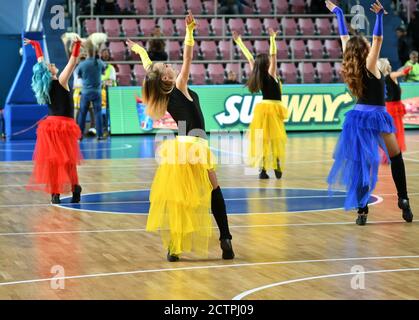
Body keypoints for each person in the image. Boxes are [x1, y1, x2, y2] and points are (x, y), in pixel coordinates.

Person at [126, 11, 234, 262]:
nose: (170, 67)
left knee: (180, 199)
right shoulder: (180, 85)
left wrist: (140, 50)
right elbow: (187, 57)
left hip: (181, 147)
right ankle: (225, 238)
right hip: (197, 145)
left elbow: (147, 67)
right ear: (167, 78)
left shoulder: (162, 91)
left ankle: (174, 246)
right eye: (167, 68)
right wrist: (189, 31)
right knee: (214, 191)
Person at [326, 0, 413, 225]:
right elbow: (378, 39)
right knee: (396, 158)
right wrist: (380, 17)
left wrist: (337, 13)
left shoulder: (350, 62)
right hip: (377, 115)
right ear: (364, 48)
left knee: (361, 164)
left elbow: (344, 38)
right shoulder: (371, 63)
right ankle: (403, 199)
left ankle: (362, 209)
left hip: (357, 117)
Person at [25, 36, 83, 204]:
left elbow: (40, 62)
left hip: (50, 126)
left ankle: (55, 193)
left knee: (53, 161)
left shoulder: (44, 86)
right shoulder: (62, 81)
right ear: (49, 72)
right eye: (50, 65)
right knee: (68, 161)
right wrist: (78, 44)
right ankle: (75, 188)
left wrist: (36, 45)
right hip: (63, 126)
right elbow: (72, 62)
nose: (52, 64)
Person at [233, 29, 287, 180]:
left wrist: (239, 42)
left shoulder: (259, 75)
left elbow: (250, 59)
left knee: (263, 140)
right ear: (267, 64)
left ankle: (262, 170)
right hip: (273, 109)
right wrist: (272, 39)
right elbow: (274, 55)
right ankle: (276, 164)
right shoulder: (271, 74)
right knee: (276, 139)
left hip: (263, 109)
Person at [377, 58, 412, 158]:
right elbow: (401, 73)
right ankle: (393, 153)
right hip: (392, 108)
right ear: (386, 66)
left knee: (391, 131)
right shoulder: (391, 75)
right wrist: (407, 69)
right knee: (395, 131)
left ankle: (389, 153)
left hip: (390, 106)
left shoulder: (381, 78)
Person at [77, 40, 107, 140]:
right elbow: (103, 71)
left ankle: (80, 135)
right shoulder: (99, 63)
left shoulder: (82, 64)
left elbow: (79, 75)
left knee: (82, 113)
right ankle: (100, 135)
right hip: (97, 92)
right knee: (97, 113)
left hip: (85, 92)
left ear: (87, 52)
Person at [100, 48, 117, 133]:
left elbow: (111, 81)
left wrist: (102, 82)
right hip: (100, 93)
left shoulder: (111, 68)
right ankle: (103, 127)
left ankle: (110, 126)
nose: (106, 55)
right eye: (104, 53)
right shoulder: (98, 67)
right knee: (101, 112)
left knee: (109, 111)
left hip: (110, 93)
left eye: (107, 53)